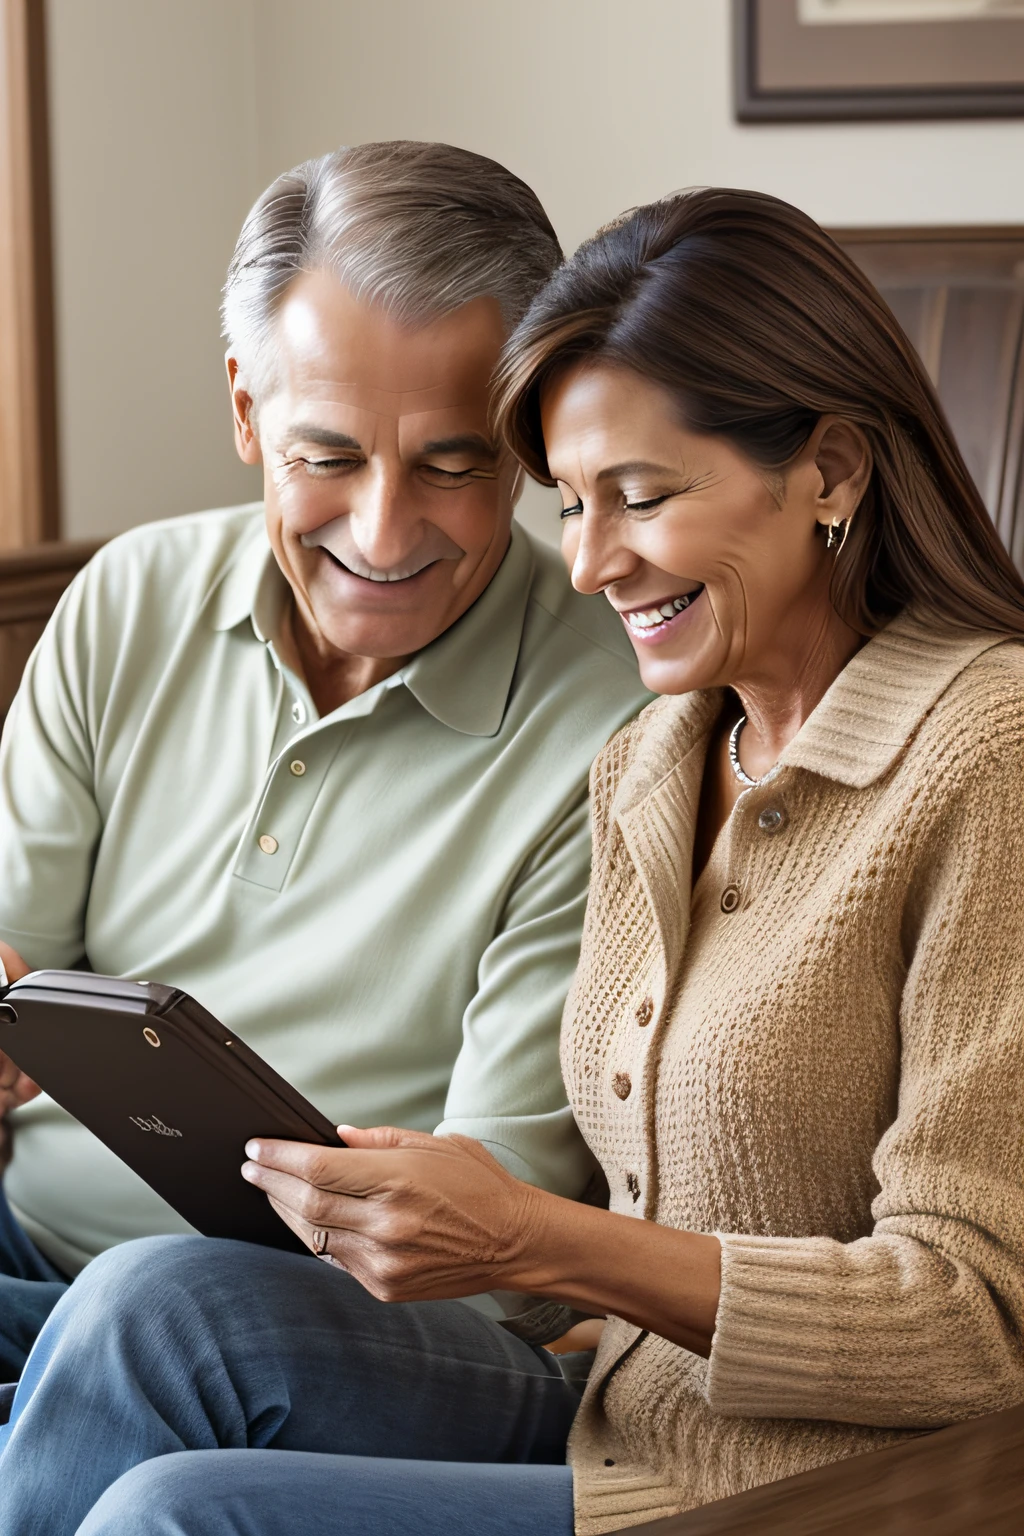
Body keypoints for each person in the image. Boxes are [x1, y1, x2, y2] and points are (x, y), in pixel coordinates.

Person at [4, 186, 1023, 1536]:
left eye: (641, 498)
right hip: (618, 1413)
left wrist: (535, 1240)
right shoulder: (663, 757)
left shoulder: (985, 756)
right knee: (153, 1309)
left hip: (839, 1483)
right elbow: (581, 1244)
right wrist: (426, 1212)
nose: (589, 563)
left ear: (831, 470)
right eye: (572, 501)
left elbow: (980, 1324)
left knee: (173, 1507)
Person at [0, 141, 649, 1388]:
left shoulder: (616, 728)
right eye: (328, 457)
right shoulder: (129, 596)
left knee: (152, 1309)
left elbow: (499, 1228)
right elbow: (21, 977)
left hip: (345, 1333)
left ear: (526, 436)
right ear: (245, 409)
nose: (383, 531)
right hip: (33, 1255)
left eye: (455, 465)